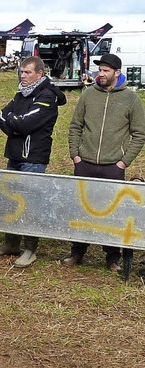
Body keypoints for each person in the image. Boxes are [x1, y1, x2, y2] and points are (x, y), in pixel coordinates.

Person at [62, 53, 145, 272]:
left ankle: (112, 257)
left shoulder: (131, 99)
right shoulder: (89, 94)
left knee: (112, 211)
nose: (101, 74)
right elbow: (75, 125)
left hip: (113, 166)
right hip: (85, 162)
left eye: (106, 70)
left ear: (117, 72)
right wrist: (75, 154)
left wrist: (124, 162)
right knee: (81, 208)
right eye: (100, 70)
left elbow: (139, 134)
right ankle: (77, 251)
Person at [0, 56, 66, 268]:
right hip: (15, 155)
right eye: (21, 71)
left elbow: (28, 124)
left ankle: (30, 249)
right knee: (12, 199)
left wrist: (16, 123)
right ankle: (11, 243)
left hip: (33, 157)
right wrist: (15, 124)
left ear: (40, 74)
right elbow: (2, 115)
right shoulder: (21, 93)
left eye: (27, 72)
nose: (22, 75)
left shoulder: (47, 96)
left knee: (30, 203)